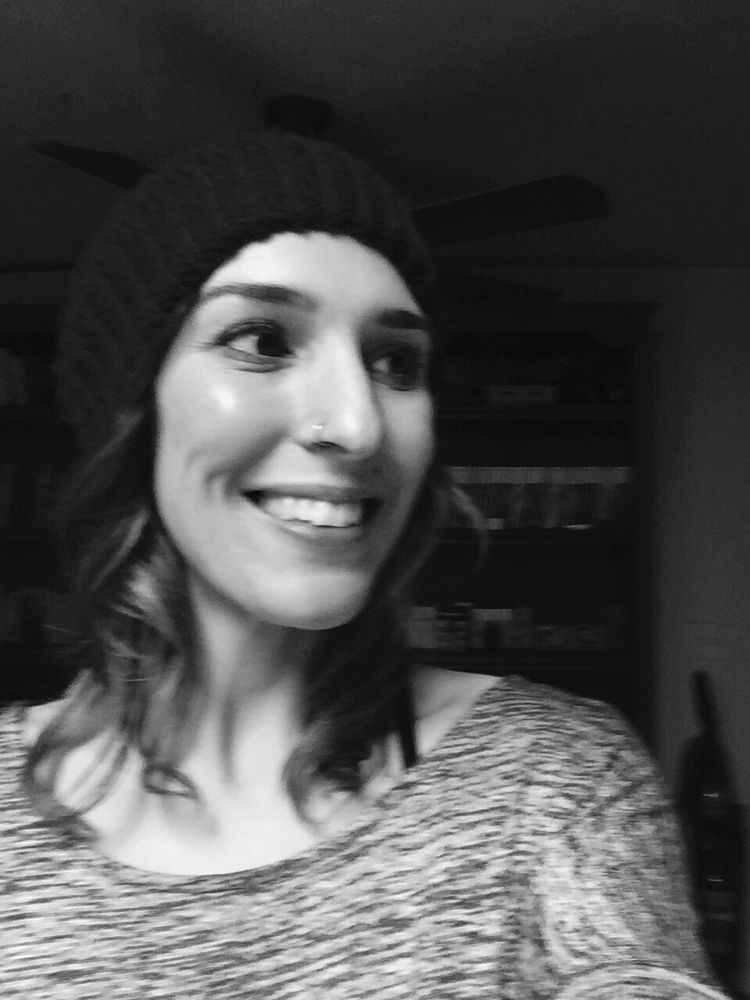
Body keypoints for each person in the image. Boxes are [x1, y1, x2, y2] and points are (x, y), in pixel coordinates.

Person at [0, 131, 730, 999]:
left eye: (395, 361)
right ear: (134, 412)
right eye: (262, 339)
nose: (359, 424)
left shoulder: (555, 781)